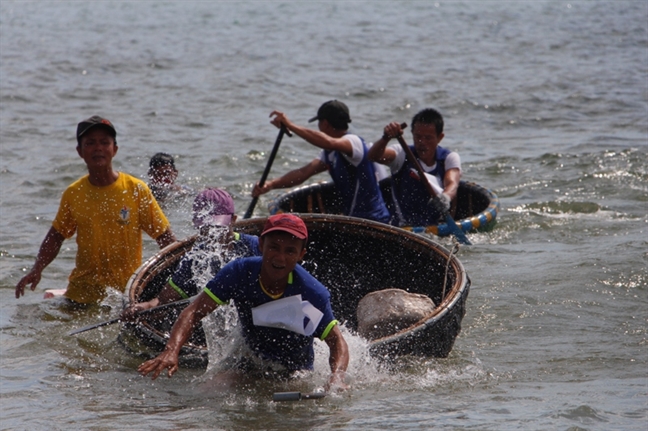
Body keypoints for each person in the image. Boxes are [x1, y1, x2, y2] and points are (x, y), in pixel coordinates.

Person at [138, 214, 349, 391]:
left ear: (301, 255)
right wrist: (171, 350)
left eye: (290, 251)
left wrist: (337, 377)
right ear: (261, 244)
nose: (280, 258)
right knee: (205, 393)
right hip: (249, 364)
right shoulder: (239, 273)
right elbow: (194, 312)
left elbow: (336, 341)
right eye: (274, 247)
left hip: (295, 375)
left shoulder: (311, 293)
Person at [15, 115, 176, 304]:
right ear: (80, 151)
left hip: (124, 294)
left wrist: (177, 282)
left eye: (104, 142)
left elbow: (165, 238)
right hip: (81, 293)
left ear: (114, 149)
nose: (98, 148)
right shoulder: (74, 193)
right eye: (90, 143)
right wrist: (37, 269)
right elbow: (56, 236)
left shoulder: (136, 189)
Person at [121, 187, 260, 319]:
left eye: (217, 226)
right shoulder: (195, 258)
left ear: (233, 220)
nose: (211, 232)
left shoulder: (254, 246)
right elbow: (162, 302)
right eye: (205, 226)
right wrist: (142, 308)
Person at [252, 100, 390, 224]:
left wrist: (290, 125)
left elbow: (329, 142)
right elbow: (303, 173)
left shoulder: (354, 143)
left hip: (373, 220)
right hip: (354, 219)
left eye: (319, 123)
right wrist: (271, 185)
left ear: (324, 124)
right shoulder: (329, 153)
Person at [367, 108, 462, 227]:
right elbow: (373, 156)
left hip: (435, 230)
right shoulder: (402, 154)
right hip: (403, 229)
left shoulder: (449, 158)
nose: (422, 142)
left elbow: (452, 183)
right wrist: (386, 137)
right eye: (418, 136)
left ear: (440, 137)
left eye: (428, 138)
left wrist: (446, 196)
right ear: (412, 133)